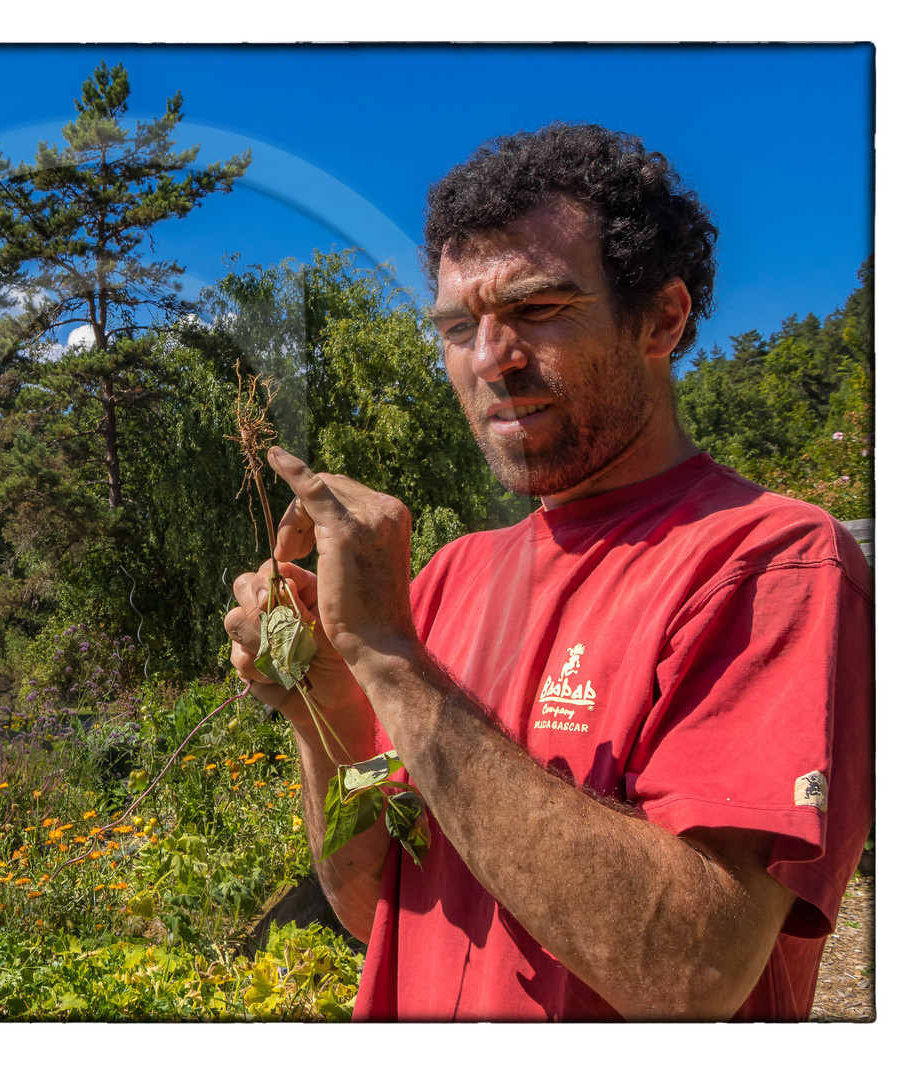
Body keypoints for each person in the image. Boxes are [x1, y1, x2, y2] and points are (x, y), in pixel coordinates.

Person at [224, 123, 872, 1022]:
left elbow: (690, 975)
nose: (491, 359)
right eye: (458, 326)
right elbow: (379, 911)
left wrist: (385, 654)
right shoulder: (450, 578)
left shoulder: (768, 563)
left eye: (537, 310)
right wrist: (325, 703)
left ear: (661, 318)